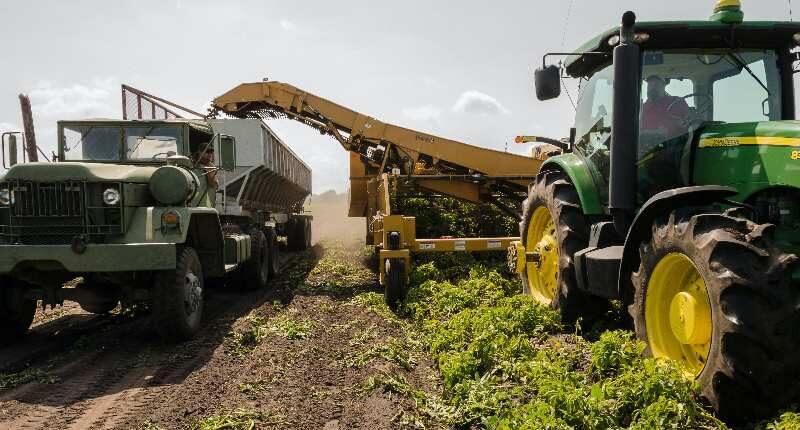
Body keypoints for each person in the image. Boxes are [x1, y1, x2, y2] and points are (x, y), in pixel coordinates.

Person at [641, 75, 689, 139]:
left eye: (656, 85)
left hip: (672, 143)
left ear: (663, 86)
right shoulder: (641, 108)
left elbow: (683, 121)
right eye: (650, 85)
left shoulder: (676, 101)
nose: (652, 88)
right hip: (645, 144)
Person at [191, 141, 218, 207]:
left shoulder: (210, 166)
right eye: (207, 152)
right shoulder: (191, 165)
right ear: (199, 152)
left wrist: (208, 170)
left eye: (211, 152)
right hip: (191, 204)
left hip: (206, 205)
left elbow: (215, 185)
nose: (209, 154)